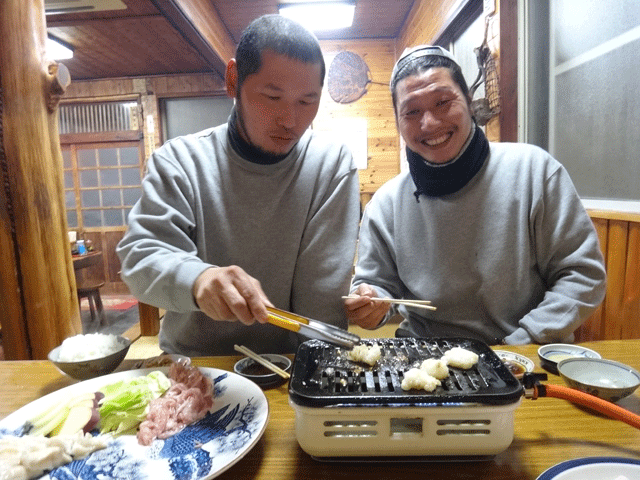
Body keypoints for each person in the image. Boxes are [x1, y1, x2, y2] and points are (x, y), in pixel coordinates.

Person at [117, 15, 360, 356]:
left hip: (293, 363)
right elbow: (140, 259)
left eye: (307, 101)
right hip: (196, 365)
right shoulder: (180, 162)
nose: (290, 121)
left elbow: (319, 303)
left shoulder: (330, 165)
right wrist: (197, 279)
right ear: (233, 80)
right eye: (272, 97)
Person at [344, 45, 606, 345]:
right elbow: (375, 285)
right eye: (412, 111)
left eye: (443, 102)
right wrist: (371, 302)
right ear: (398, 121)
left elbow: (581, 274)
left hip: (523, 353)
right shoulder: (386, 203)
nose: (429, 123)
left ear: (469, 102)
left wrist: (522, 342)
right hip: (422, 359)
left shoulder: (533, 171)